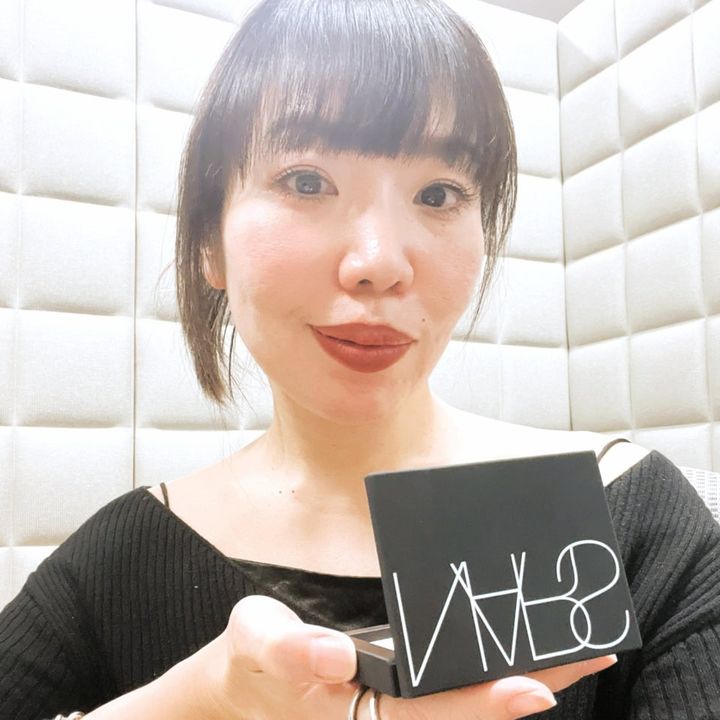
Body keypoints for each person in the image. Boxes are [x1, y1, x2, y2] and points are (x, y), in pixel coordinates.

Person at [1, 0, 719, 718]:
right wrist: (192, 702)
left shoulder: (638, 525)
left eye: (438, 193)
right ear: (209, 243)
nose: (379, 263)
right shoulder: (119, 561)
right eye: (306, 182)